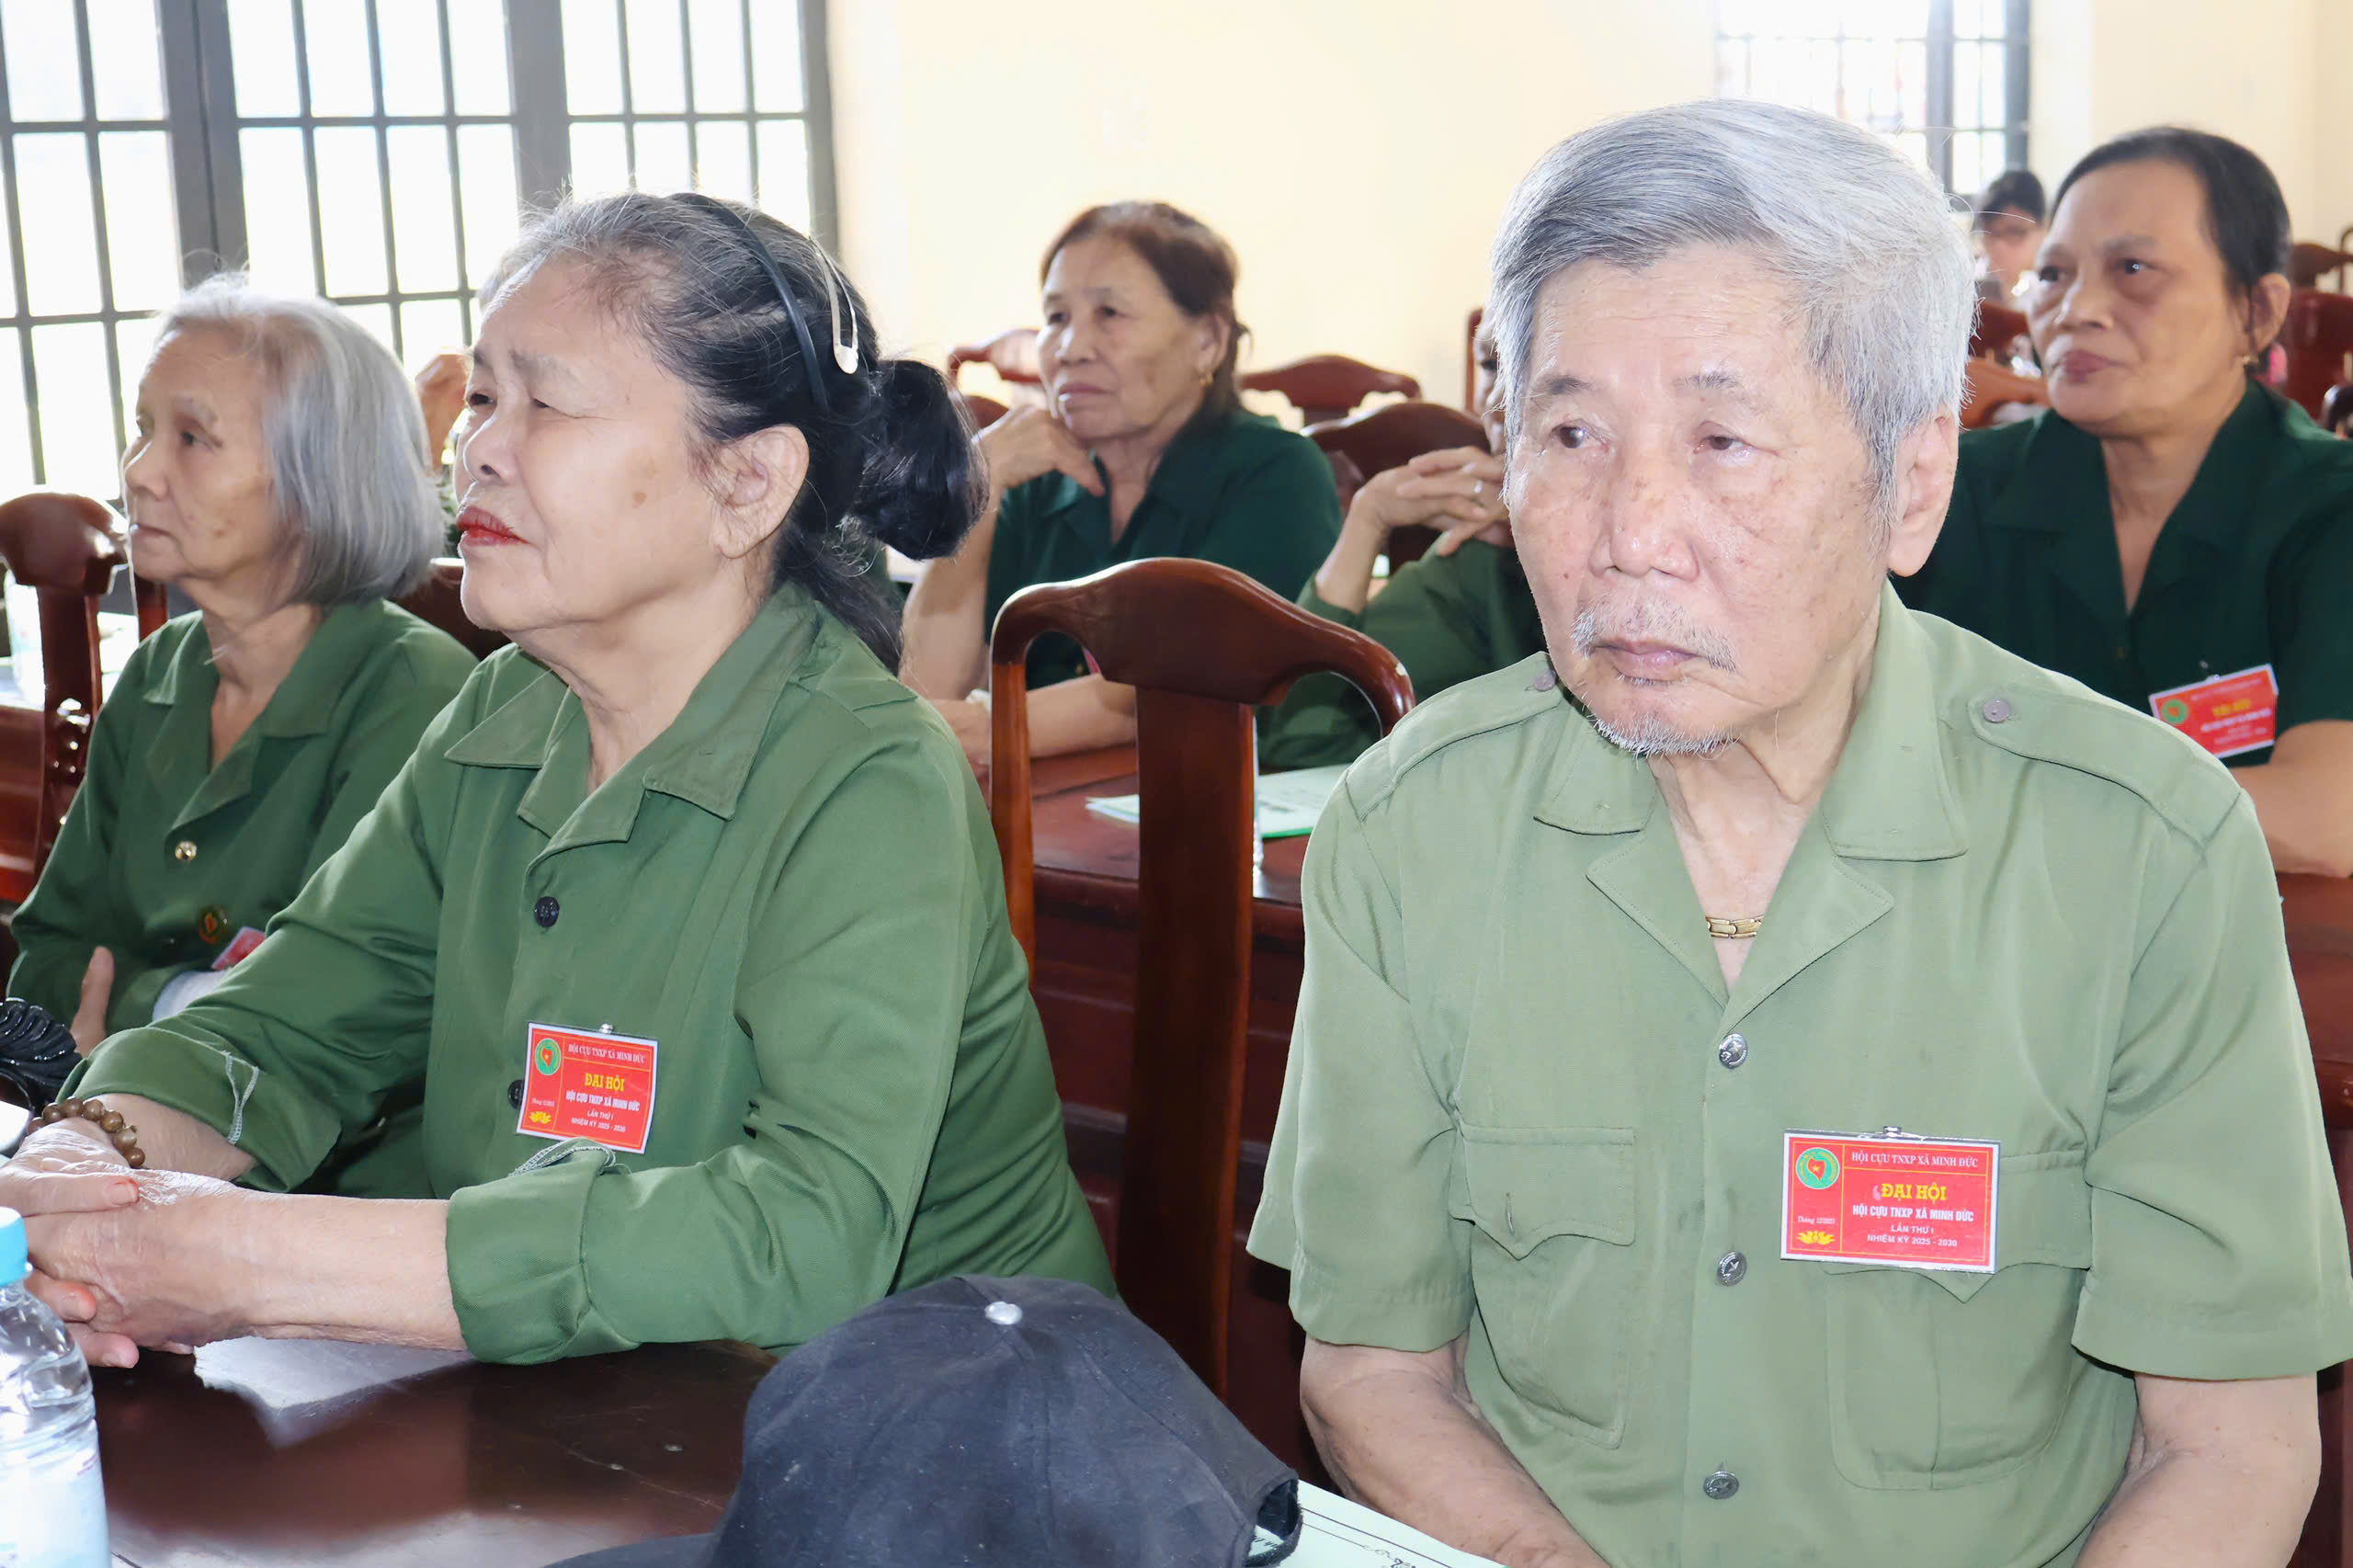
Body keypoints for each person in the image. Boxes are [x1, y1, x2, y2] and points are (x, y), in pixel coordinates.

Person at [1249, 100, 2353, 1568]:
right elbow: (1372, 1372)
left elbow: (2231, 1445)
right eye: (1571, 433)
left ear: (1912, 486)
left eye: (1723, 440)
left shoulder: (2145, 851)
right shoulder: (1411, 832)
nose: (1630, 532)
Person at [0, 191, 1113, 1369]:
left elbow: (801, 1234)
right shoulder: (509, 709)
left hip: (950, 1410)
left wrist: (253, 1260)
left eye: (547, 403)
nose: (477, 446)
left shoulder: (870, 777)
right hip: (584, 1406)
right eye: (483, 397)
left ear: (747, 482)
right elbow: (288, 1021)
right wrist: (87, 1161)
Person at [7, 282, 473, 1087]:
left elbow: (331, 1013)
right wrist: (187, 1006)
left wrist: (143, 1005)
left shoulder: (413, 691)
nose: (140, 471)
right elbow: (48, 957)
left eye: (192, 438)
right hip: (120, 1124)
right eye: (144, 429)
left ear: (318, 480)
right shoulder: (159, 670)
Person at [1903, 128, 2353, 878]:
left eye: (2134, 269)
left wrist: (1998, 810)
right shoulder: (1948, 491)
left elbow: (2323, 818)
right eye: (2054, 274)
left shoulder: (2327, 508)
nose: (2076, 309)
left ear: (2257, 311)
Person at [901, 202, 1340, 763]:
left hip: (1216, 795)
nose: (1070, 348)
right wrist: (975, 486)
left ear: (1207, 340)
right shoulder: (1036, 477)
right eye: (1056, 317)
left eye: (1109, 313)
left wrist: (989, 728)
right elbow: (928, 685)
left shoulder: (1276, 473)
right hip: (1044, 793)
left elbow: (1178, 681)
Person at [1260, 324, 1534, 769]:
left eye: (1532, 358)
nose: (1498, 401)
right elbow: (1299, 741)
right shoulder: (1481, 551)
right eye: (1489, 364)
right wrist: (1368, 520)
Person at [1975, 167, 2046, 301]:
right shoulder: (1973, 283)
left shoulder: (2054, 292)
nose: (1999, 246)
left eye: (2014, 232)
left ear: (2044, 229)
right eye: (1989, 233)